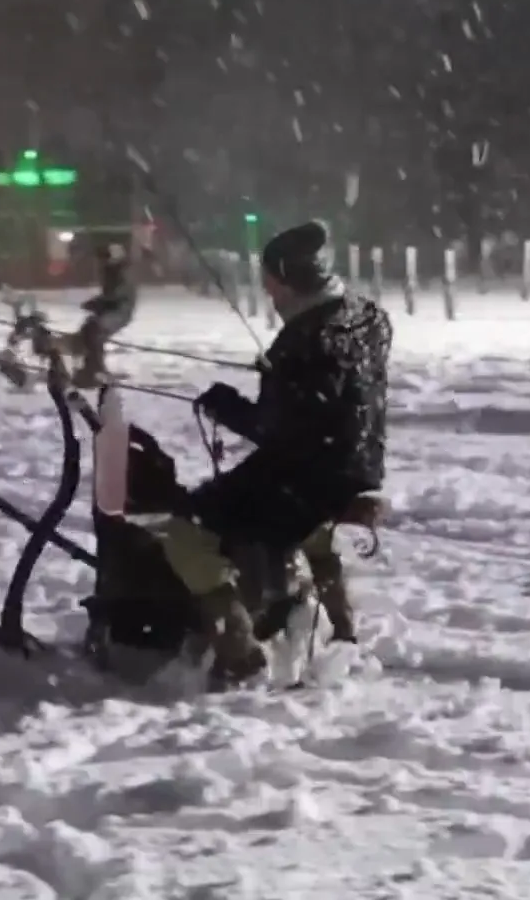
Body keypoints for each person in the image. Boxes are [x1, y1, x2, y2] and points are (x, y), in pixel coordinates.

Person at [163, 220, 391, 684]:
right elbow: (329, 399)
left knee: (187, 531)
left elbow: (274, 428)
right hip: (357, 467)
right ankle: (341, 627)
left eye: (270, 282)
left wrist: (225, 404)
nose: (268, 292)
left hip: (309, 475)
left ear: (287, 280)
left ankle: (241, 651)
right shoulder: (368, 316)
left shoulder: (303, 343)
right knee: (294, 511)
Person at [74, 241, 137, 386]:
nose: (102, 261)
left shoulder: (122, 273)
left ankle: (96, 370)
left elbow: (118, 295)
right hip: (111, 309)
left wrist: (98, 302)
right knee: (88, 329)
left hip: (120, 311)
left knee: (95, 331)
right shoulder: (111, 271)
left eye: (105, 258)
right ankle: (91, 367)